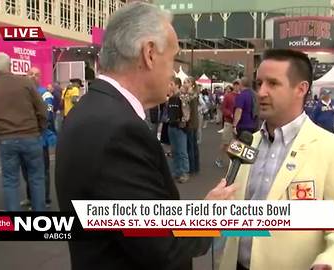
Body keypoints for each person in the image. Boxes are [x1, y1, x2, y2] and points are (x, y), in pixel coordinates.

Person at [55, 4, 236, 270]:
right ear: (149, 53)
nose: (174, 72)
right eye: (173, 59)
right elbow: (164, 248)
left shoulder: (90, 109)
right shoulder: (119, 131)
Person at [218, 49, 334, 270]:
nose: (262, 92)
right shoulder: (245, 145)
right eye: (259, 83)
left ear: (301, 89)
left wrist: (332, 262)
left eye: (273, 84)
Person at [0, 52, 46, 211]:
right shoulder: (26, 83)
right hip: (31, 136)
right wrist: (40, 129)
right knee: (36, 178)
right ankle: (40, 215)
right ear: (10, 65)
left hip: (7, 139)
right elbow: (41, 109)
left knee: (10, 181)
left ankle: (13, 220)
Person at [20, 67, 56, 209]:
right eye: (30, 74)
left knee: (41, 171)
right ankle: (30, 197)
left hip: (40, 139)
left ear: (39, 77)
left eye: (36, 75)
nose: (33, 77)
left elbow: (48, 116)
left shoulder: (45, 94)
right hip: (23, 138)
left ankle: (45, 199)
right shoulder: (21, 94)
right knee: (26, 170)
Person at [167, 77, 190, 183]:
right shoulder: (170, 98)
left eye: (171, 84)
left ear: (177, 85)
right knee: (174, 151)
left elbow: (186, 113)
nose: (169, 86)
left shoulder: (182, 97)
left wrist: (182, 123)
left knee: (182, 151)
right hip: (171, 126)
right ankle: (177, 171)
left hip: (179, 128)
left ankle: (184, 172)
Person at [215, 84, 239, 168]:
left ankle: (233, 162)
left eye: (239, 85)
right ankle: (219, 159)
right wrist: (230, 114)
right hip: (229, 122)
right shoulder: (228, 96)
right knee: (225, 142)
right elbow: (223, 108)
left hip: (238, 123)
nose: (238, 87)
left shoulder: (241, 96)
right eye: (236, 85)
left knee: (236, 143)